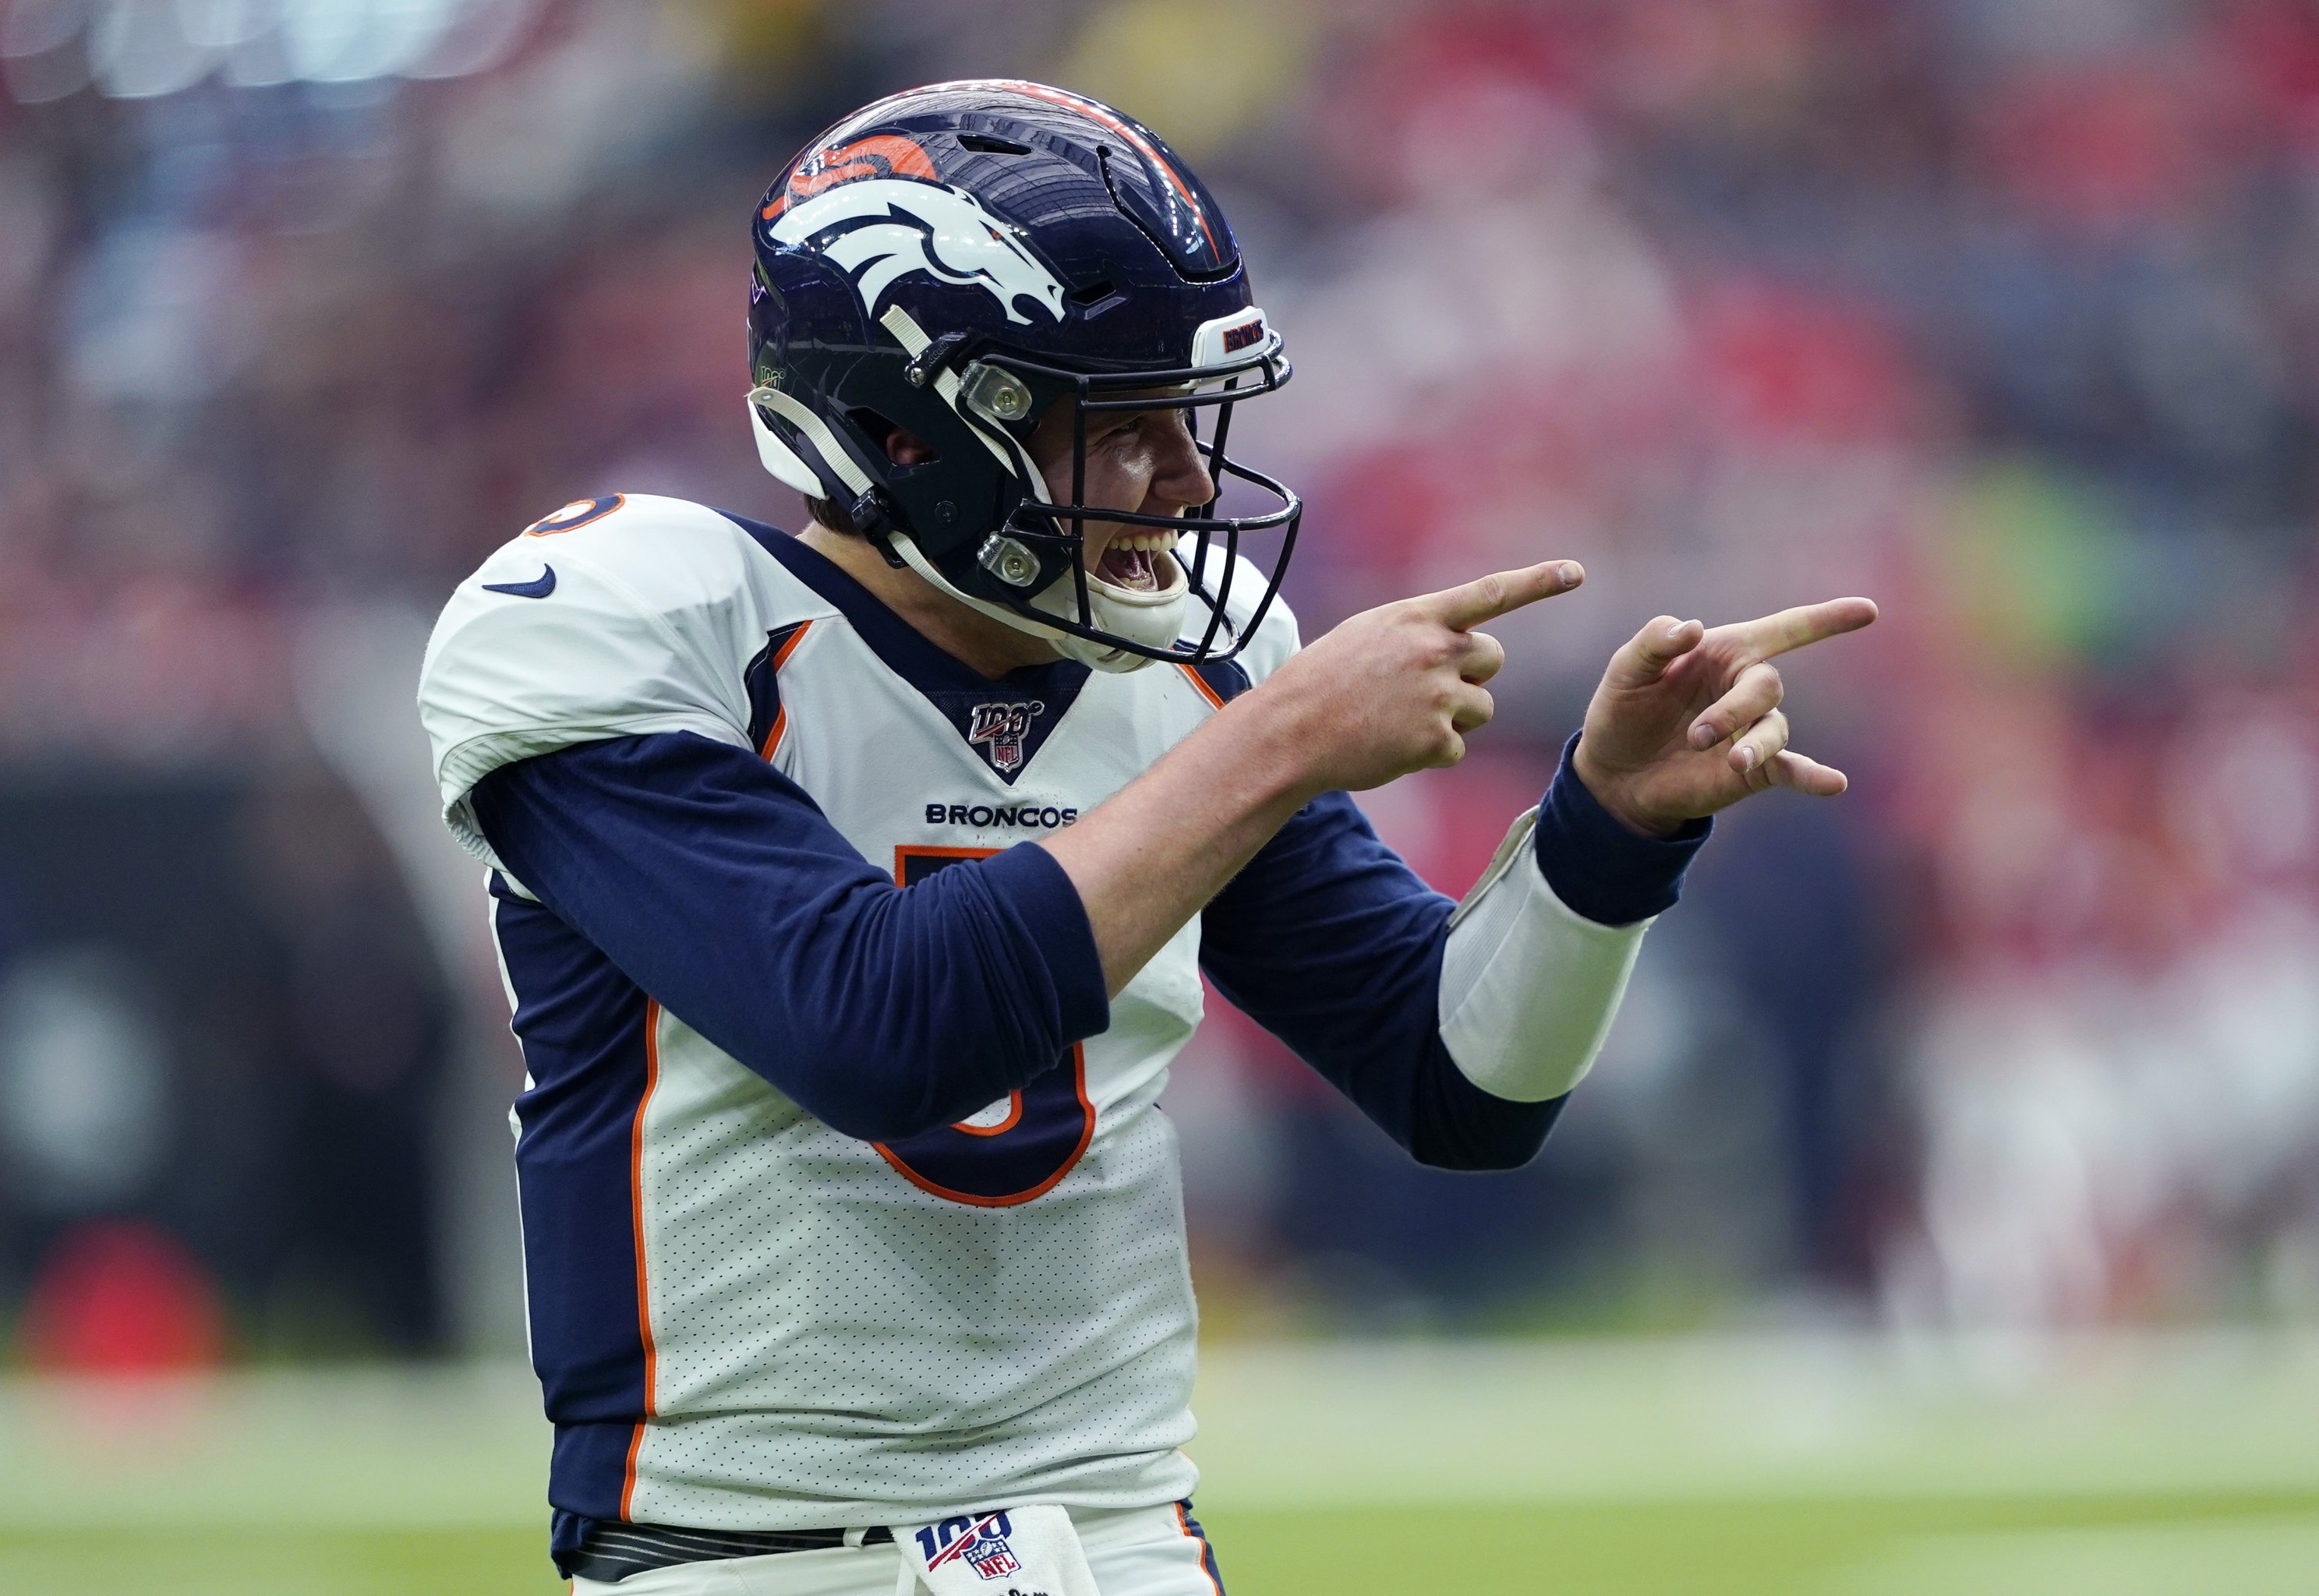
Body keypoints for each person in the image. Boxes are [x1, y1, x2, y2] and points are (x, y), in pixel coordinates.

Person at [416, 80, 1874, 1596]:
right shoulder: (634, 621)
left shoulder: (1185, 661)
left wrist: (1604, 833)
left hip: (1120, 1540)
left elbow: (1460, 1082)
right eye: (1116, 423)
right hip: (749, 1550)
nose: (1184, 480)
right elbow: (870, 1024)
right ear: (906, 430)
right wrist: (1282, 736)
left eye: (1187, 416)